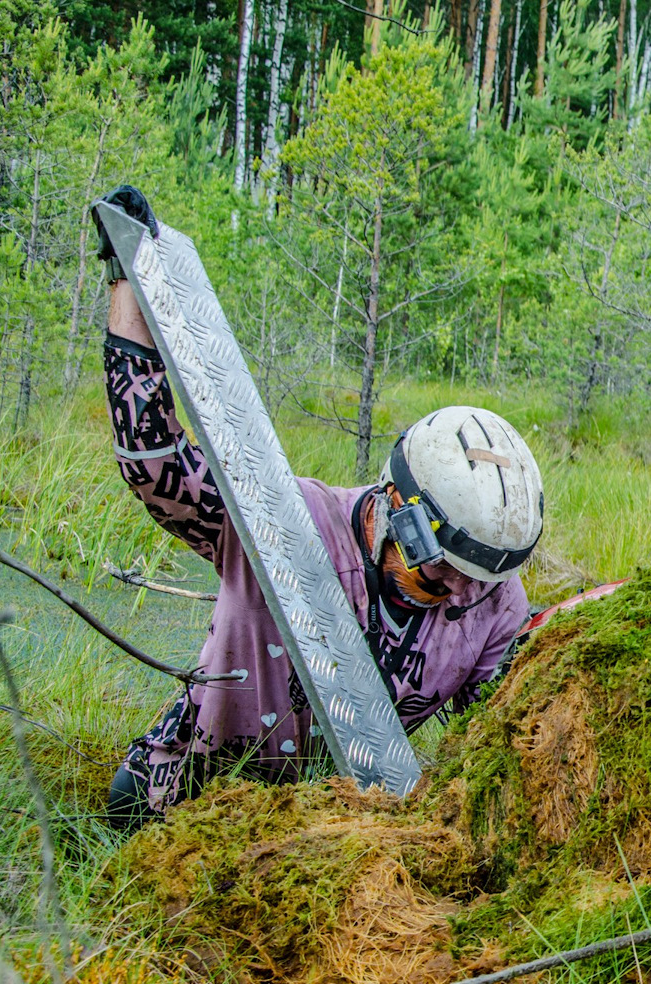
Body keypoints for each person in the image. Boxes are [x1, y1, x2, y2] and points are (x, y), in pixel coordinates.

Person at [95, 187, 542, 829]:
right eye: (438, 568)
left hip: (335, 830)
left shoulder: (494, 605)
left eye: (479, 579)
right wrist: (130, 282)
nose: (455, 593)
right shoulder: (287, 521)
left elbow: (499, 737)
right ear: (398, 506)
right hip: (191, 796)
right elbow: (157, 464)